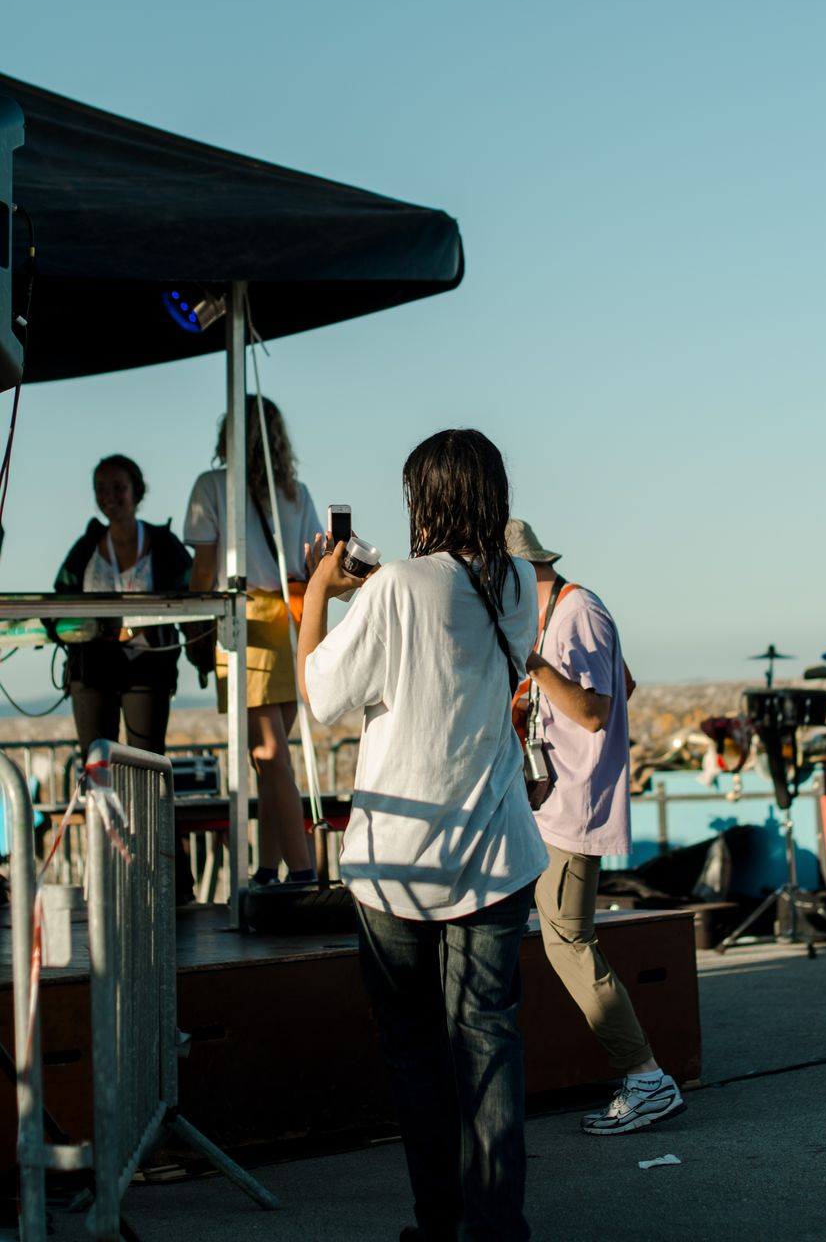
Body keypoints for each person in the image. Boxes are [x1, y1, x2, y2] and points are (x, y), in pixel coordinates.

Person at [298, 429, 546, 1242]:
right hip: (494, 856)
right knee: (489, 1046)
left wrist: (316, 596)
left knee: (413, 1052)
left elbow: (324, 696)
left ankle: (438, 1224)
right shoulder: (516, 585)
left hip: (397, 862)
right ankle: (496, 1227)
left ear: (424, 499)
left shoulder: (396, 587)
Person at [506, 518, 685, 1136]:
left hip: (572, 807)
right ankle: (643, 1075)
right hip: (560, 803)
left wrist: (533, 668)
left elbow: (594, 708)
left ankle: (646, 1076)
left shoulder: (574, 611)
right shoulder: (568, 610)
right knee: (563, 939)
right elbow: (622, 681)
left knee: (568, 942)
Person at [184, 396, 321, 885]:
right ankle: (269, 866)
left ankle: (303, 869)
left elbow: (204, 569)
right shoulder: (295, 492)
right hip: (289, 622)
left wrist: (196, 628)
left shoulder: (212, 488)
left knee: (267, 755)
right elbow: (312, 565)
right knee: (272, 755)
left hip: (244, 621)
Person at [54, 454, 194, 901]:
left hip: (147, 669)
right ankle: (107, 878)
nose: (109, 496)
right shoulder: (85, 546)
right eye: (101, 488)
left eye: (117, 487)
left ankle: (168, 883)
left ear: (136, 491)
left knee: (148, 768)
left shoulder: (162, 542)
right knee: (97, 772)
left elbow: (192, 595)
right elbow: (57, 604)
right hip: (92, 671)